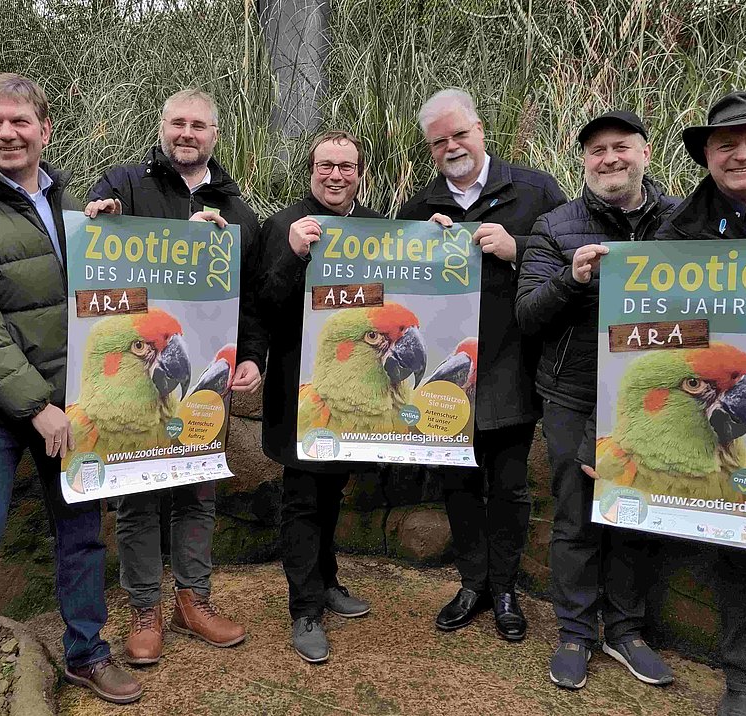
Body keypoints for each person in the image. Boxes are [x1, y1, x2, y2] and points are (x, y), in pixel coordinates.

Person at [0, 74, 141, 715]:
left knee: (82, 534)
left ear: (44, 126)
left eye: (19, 122)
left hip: (70, 402)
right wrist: (36, 407)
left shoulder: (68, 200)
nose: (6, 134)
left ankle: (87, 652)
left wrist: (121, 239)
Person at [85, 89, 260, 666]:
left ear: (215, 134)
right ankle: (144, 609)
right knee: (136, 501)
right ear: (162, 128)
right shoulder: (124, 185)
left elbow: (252, 299)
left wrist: (251, 355)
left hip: (198, 382)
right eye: (178, 123)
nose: (188, 133)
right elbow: (93, 261)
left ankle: (194, 599)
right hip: (131, 384)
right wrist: (98, 219)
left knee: (197, 491)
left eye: (199, 125)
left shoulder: (237, 210)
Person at [516, 110, 677, 690]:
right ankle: (575, 631)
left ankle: (627, 630)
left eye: (621, 147)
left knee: (636, 511)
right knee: (575, 513)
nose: (609, 159)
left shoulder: (683, 223)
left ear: (645, 152)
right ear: (582, 162)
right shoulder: (556, 227)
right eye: (596, 151)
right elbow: (527, 316)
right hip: (573, 394)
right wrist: (571, 280)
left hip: (657, 398)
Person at [397, 88, 565, 641]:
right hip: (447, 376)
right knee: (459, 484)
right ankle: (473, 584)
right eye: (439, 141)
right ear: (430, 149)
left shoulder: (536, 190)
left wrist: (516, 249)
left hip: (513, 365)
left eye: (460, 134)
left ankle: (507, 589)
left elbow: (567, 268)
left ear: (481, 130)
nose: (452, 146)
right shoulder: (419, 209)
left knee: (511, 487)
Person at [654, 90, 746, 716]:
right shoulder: (682, 230)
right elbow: (649, 342)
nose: (742, 154)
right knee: (742, 542)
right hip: (731, 410)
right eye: (727, 145)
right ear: (708, 158)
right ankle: (744, 680)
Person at [256, 130, 378, 663]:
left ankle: (326, 581)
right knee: (303, 498)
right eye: (327, 165)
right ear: (311, 171)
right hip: (298, 391)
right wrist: (294, 255)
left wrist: (439, 239)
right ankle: (304, 607)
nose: (336, 175)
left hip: (350, 394)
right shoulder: (283, 225)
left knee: (332, 493)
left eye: (346, 167)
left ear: (359, 173)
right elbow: (265, 305)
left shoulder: (375, 227)